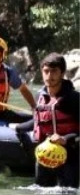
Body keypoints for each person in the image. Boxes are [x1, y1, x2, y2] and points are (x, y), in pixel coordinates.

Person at [14, 52, 80, 188]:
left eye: (54, 71)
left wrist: (65, 139)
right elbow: (39, 121)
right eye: (46, 71)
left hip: (69, 155)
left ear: (62, 74)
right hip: (45, 155)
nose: (49, 76)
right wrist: (19, 128)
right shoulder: (40, 96)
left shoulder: (74, 99)